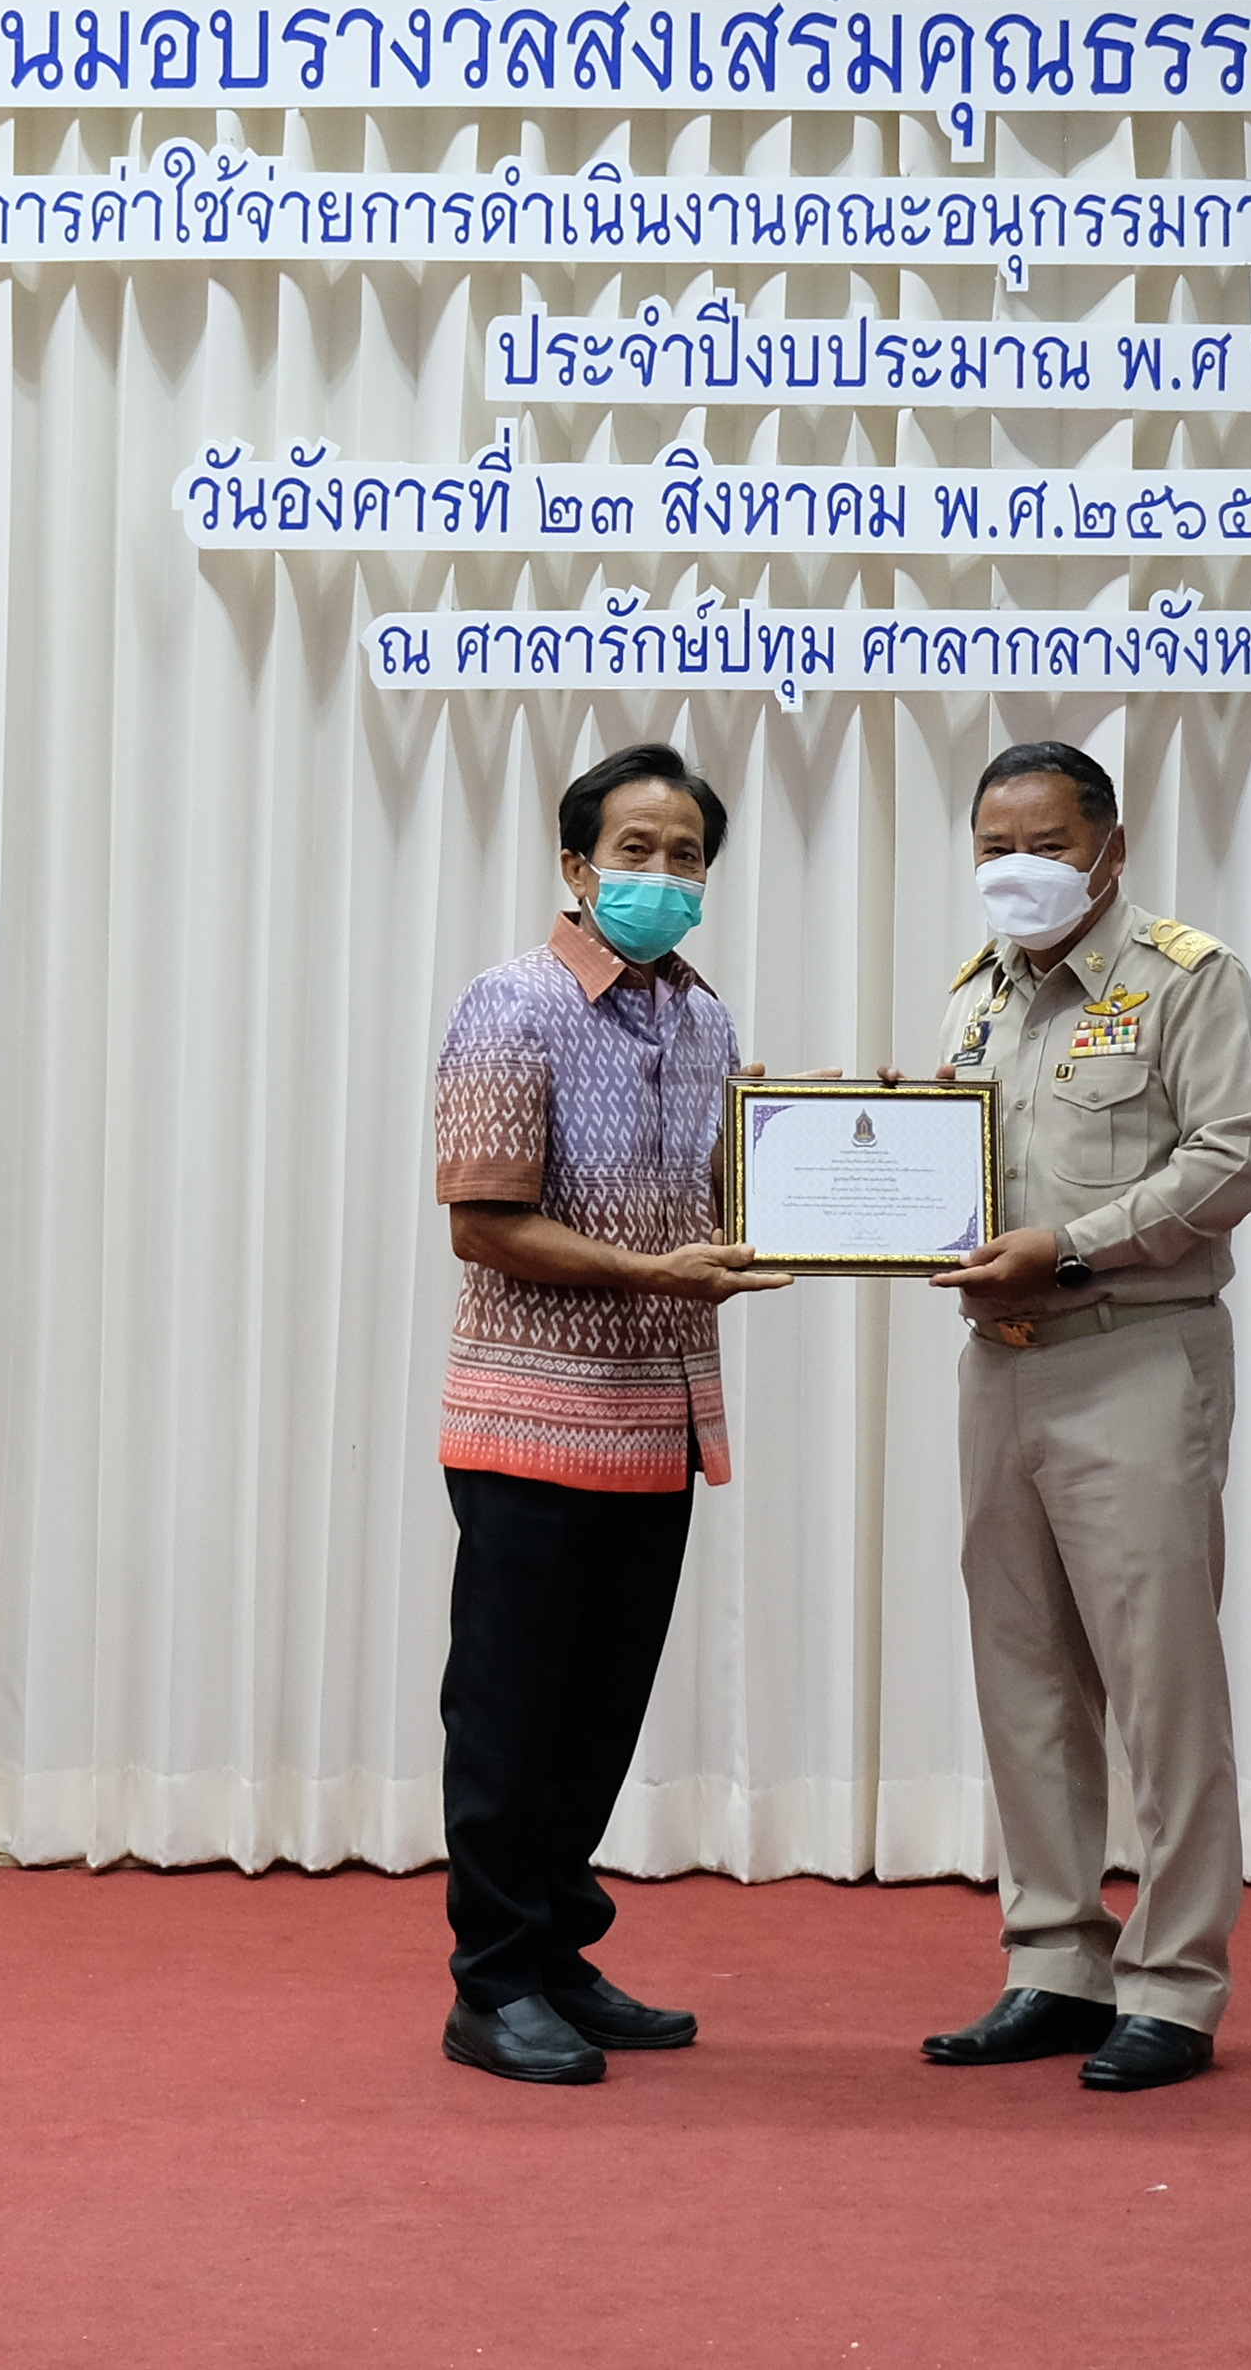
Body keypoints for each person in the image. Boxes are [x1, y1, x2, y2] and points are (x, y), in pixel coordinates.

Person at [906, 740, 1251, 2094]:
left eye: (1049, 843)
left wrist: (1068, 1247)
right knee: (1025, 1676)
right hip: (998, 1365)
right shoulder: (973, 1002)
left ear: (1109, 851)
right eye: (995, 844)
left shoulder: (1187, 978)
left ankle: (1175, 1981)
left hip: (1133, 1351)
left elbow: (1237, 1156)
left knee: (1161, 1680)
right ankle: (1054, 1960)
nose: (1020, 868)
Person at [425, 740, 790, 2086]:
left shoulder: (706, 1018)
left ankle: (559, 1951)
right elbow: (484, 1221)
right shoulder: (510, 1005)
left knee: (601, 1712)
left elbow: (727, 1198)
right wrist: (654, 1270)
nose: (660, 874)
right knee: (511, 1713)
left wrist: (848, 1188)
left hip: (659, 1419)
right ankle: (491, 1980)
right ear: (576, 864)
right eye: (633, 849)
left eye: (685, 854)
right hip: (531, 1420)